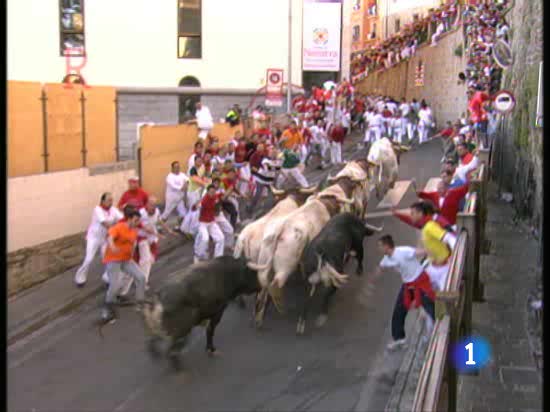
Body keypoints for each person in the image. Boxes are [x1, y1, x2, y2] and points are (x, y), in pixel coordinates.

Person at [369, 235, 436, 350]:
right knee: (398, 311)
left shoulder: (403, 251)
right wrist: (371, 281)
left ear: (386, 246)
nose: (378, 248)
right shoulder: (387, 259)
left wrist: (434, 251)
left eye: (380, 246)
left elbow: (421, 252)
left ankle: (437, 334)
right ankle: (399, 339)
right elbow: (380, 268)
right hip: (408, 285)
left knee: (430, 309)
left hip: (420, 282)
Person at [119, 197, 175, 295]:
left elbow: (157, 221)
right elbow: (141, 227)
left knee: (148, 261)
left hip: (150, 239)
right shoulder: (139, 214)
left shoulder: (156, 212)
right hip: (140, 238)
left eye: (154, 205)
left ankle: (137, 282)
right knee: (143, 260)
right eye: (151, 205)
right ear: (147, 204)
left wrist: (166, 231)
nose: (153, 207)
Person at [100, 208, 147, 323]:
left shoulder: (134, 231)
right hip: (113, 260)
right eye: (135, 220)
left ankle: (140, 303)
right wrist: (112, 246)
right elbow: (110, 237)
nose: (137, 223)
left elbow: (133, 244)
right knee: (114, 285)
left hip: (126, 260)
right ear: (129, 219)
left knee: (141, 277)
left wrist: (132, 255)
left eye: (138, 221)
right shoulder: (119, 227)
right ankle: (107, 309)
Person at [74, 193, 123, 287]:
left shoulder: (113, 210)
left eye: (112, 200)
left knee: (108, 259)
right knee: (89, 259)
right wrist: (116, 228)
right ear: (102, 201)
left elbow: (122, 219)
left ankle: (107, 278)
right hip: (94, 238)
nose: (111, 202)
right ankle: (80, 278)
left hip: (105, 238)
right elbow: (104, 223)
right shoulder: (97, 209)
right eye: (109, 200)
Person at [407, 201, 457, 291]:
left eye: (412, 213)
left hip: (444, 270)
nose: (411, 216)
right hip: (433, 268)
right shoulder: (426, 226)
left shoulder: (430, 227)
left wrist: (456, 255)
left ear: (420, 213)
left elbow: (449, 238)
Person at [193, 184, 226, 263]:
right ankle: (197, 255)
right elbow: (195, 207)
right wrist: (197, 206)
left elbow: (221, 196)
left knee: (221, 238)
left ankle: (218, 258)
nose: (212, 193)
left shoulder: (215, 197)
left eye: (213, 192)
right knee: (205, 239)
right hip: (203, 223)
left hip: (211, 222)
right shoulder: (204, 200)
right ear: (207, 192)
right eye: (211, 192)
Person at [180, 155, 210, 238]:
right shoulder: (192, 169)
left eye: (201, 161)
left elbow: (203, 177)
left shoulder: (202, 167)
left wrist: (207, 181)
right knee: (193, 210)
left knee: (196, 211)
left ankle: (189, 229)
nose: (200, 162)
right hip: (192, 192)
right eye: (198, 161)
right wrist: (207, 184)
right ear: (195, 161)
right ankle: (185, 229)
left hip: (199, 191)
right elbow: (196, 180)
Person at [160, 161, 188, 228]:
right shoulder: (169, 177)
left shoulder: (182, 174)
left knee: (183, 213)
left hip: (180, 198)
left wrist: (186, 184)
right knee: (166, 213)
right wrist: (182, 188)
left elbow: (187, 180)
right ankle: (159, 225)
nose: (177, 168)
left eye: (178, 167)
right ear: (172, 168)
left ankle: (179, 226)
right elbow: (173, 186)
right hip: (172, 199)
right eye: (175, 167)